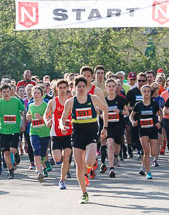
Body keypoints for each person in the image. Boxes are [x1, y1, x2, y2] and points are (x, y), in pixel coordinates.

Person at [60, 75, 108, 204]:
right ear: (75, 88)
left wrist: (105, 128)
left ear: (86, 87)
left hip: (91, 134)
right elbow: (63, 118)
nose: (81, 88)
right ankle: (84, 193)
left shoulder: (93, 98)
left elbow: (105, 109)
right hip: (77, 135)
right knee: (79, 165)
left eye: (83, 86)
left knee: (89, 162)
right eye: (78, 86)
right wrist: (62, 126)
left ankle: (90, 167)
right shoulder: (70, 102)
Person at [0, 84, 26, 179]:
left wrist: (23, 123)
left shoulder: (16, 101)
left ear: (11, 91)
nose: (6, 94)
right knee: (5, 152)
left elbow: (24, 109)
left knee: (12, 149)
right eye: (4, 92)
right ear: (0, 93)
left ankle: (16, 154)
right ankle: (10, 171)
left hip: (14, 130)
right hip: (2, 131)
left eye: (7, 91)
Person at [43, 80, 73, 189]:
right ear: (57, 89)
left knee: (66, 156)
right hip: (56, 134)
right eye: (60, 88)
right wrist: (47, 122)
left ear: (67, 88)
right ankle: (63, 166)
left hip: (68, 133)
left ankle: (62, 180)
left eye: (64, 88)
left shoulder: (71, 101)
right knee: (57, 158)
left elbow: (75, 116)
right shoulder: (53, 102)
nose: (62, 90)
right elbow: (46, 115)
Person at [130, 85, 161, 179]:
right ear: (141, 93)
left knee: (154, 153)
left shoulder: (154, 104)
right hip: (142, 130)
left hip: (153, 130)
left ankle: (144, 165)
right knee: (146, 151)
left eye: (148, 91)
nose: (146, 93)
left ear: (150, 93)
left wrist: (159, 122)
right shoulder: (138, 105)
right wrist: (132, 122)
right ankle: (148, 172)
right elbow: (131, 116)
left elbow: (160, 114)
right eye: (144, 91)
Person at [103, 79, 128, 178]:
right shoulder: (104, 100)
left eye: (113, 86)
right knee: (109, 144)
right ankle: (111, 168)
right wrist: (102, 115)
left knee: (117, 147)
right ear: (106, 88)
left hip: (119, 126)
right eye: (109, 86)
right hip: (109, 126)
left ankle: (116, 156)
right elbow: (100, 112)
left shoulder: (121, 99)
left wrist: (120, 111)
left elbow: (127, 113)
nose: (111, 88)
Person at [26, 86, 50, 182]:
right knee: (36, 149)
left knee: (43, 153)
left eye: (38, 93)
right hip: (34, 131)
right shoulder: (30, 105)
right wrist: (28, 116)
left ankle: (44, 167)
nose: (36, 95)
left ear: (42, 95)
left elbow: (49, 118)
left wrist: (41, 118)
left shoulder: (46, 105)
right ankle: (40, 172)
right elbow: (29, 115)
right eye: (34, 93)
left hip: (44, 132)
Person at [126, 73, 148, 159]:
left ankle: (142, 149)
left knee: (144, 134)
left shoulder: (149, 91)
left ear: (146, 82)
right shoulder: (131, 92)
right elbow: (124, 105)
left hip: (146, 117)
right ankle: (136, 148)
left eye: (143, 81)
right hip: (134, 117)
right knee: (134, 134)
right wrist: (134, 109)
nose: (141, 82)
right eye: (139, 81)